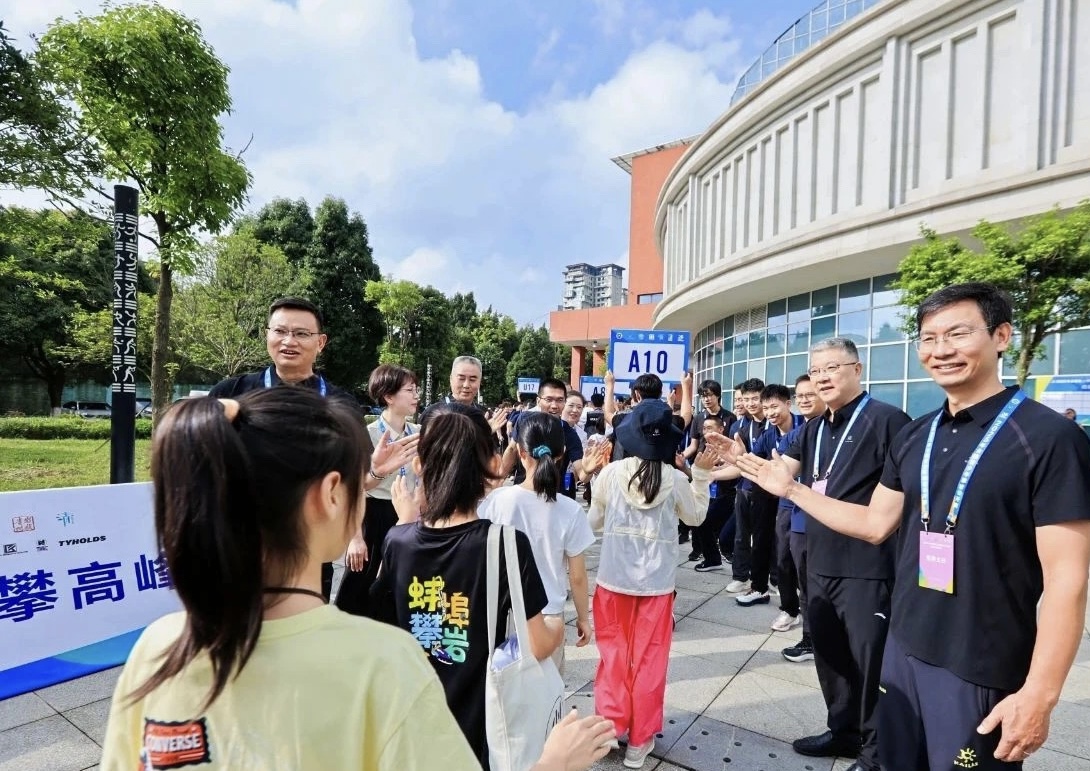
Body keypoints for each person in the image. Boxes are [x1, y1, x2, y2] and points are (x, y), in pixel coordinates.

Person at [101, 389, 614, 771]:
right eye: (359, 480)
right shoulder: (379, 666)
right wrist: (553, 765)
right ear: (329, 493)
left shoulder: (159, 648)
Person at [737, 284, 1090, 771]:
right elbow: (874, 523)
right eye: (928, 338)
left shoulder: (1048, 439)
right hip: (903, 650)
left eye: (959, 334)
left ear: (1002, 336)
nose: (941, 350)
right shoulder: (916, 434)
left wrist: (1041, 694)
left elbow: (1067, 582)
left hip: (980, 665)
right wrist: (794, 491)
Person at [721, 337, 912, 771]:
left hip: (868, 565)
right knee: (830, 656)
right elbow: (781, 474)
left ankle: (876, 752)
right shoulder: (814, 427)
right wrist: (744, 460)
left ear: (857, 369)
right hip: (820, 560)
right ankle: (842, 731)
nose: (823, 377)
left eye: (833, 368)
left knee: (871, 665)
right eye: (816, 369)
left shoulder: (889, 421)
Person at [371, 403, 564, 767]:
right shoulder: (506, 542)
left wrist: (403, 525)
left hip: (411, 727)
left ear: (418, 464)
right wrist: (557, 627)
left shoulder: (397, 541)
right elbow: (537, 644)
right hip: (479, 733)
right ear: (491, 467)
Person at [206, 296, 413, 601]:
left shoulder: (340, 404)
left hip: (309, 549)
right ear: (267, 335)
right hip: (238, 544)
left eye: (302, 334)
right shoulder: (231, 393)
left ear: (321, 342)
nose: (289, 341)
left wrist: (375, 471)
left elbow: (353, 484)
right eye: (280, 331)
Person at [589, 392, 722, 769]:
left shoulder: (612, 474)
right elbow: (695, 517)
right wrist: (700, 476)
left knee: (612, 658)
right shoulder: (675, 479)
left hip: (613, 580)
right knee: (650, 662)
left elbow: (593, 522)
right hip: (657, 586)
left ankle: (611, 727)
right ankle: (640, 740)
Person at [479, 412, 596, 675]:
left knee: (503, 700)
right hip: (548, 618)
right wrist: (583, 619)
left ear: (520, 451)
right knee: (545, 700)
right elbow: (577, 576)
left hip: (501, 615)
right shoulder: (570, 509)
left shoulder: (497, 501)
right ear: (562, 452)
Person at [335, 364, 420, 617]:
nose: (417, 396)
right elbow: (352, 487)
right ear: (389, 396)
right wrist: (355, 538)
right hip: (372, 516)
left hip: (406, 516)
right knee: (361, 586)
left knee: (399, 589)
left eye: (416, 390)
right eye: (410, 390)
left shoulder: (418, 433)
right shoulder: (367, 434)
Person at [779, 374, 825, 661]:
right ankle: (810, 640)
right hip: (801, 521)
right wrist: (739, 460)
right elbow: (781, 472)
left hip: (836, 523)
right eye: (801, 396)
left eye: (812, 394)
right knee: (806, 586)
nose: (805, 399)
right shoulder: (800, 433)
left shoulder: (852, 428)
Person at [500, 378, 609, 499]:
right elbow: (511, 450)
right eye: (549, 399)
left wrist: (589, 469)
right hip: (522, 492)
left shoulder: (569, 432)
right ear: (538, 400)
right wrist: (499, 480)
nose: (554, 405)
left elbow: (582, 474)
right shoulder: (525, 419)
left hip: (553, 497)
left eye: (559, 400)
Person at [725, 378, 771, 595]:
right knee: (741, 534)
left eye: (755, 398)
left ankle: (773, 577)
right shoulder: (739, 426)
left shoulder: (774, 422)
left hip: (770, 488)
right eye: (747, 399)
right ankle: (740, 576)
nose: (751, 403)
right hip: (745, 486)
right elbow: (735, 460)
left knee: (769, 536)